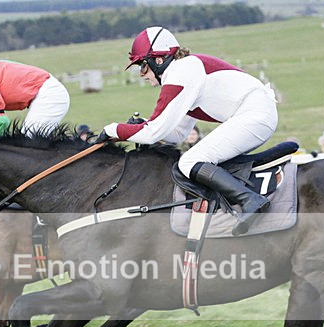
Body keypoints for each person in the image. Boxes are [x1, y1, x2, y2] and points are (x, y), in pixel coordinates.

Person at [98, 27, 278, 235]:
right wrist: (139, 126)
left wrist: (113, 129)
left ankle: (250, 201)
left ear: (158, 60)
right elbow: (178, 134)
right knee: (193, 159)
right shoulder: (185, 72)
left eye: (143, 66)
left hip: (254, 115)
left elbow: (153, 133)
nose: (141, 74)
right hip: (256, 114)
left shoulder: (181, 72)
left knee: (189, 162)